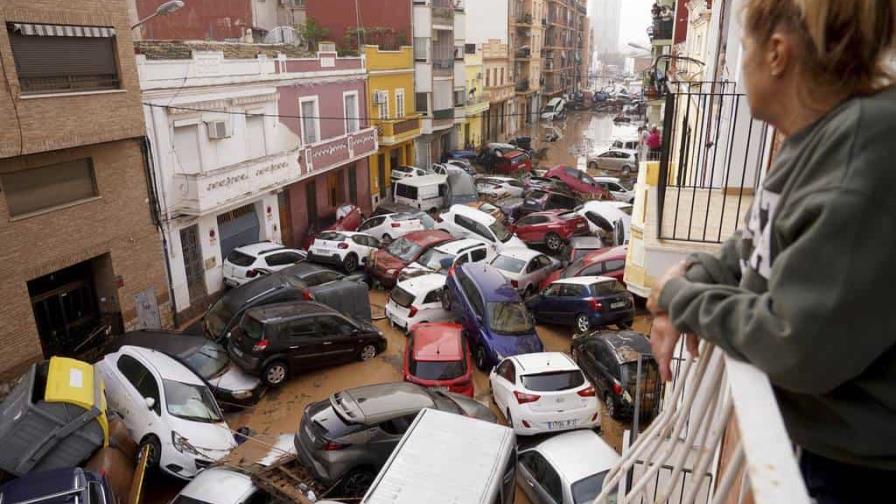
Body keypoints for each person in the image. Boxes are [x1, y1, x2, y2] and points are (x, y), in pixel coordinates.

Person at [646, 1, 896, 502]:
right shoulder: (818, 139)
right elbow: (755, 242)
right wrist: (697, 271)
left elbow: (794, 342)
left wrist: (682, 298)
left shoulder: (860, 153)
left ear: (776, 54)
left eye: (743, 50)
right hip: (828, 449)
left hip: (861, 475)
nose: (740, 66)